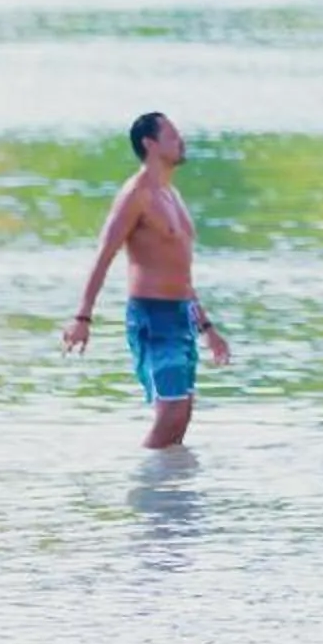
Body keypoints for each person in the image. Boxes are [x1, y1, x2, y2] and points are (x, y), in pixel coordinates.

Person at [59, 112, 231, 449]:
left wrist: (207, 329)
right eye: (172, 137)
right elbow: (104, 254)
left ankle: (170, 496)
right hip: (152, 318)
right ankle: (140, 486)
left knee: (181, 417)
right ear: (149, 144)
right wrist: (83, 317)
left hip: (181, 315)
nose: (181, 142)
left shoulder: (171, 195)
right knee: (170, 414)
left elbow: (181, 272)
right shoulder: (135, 195)